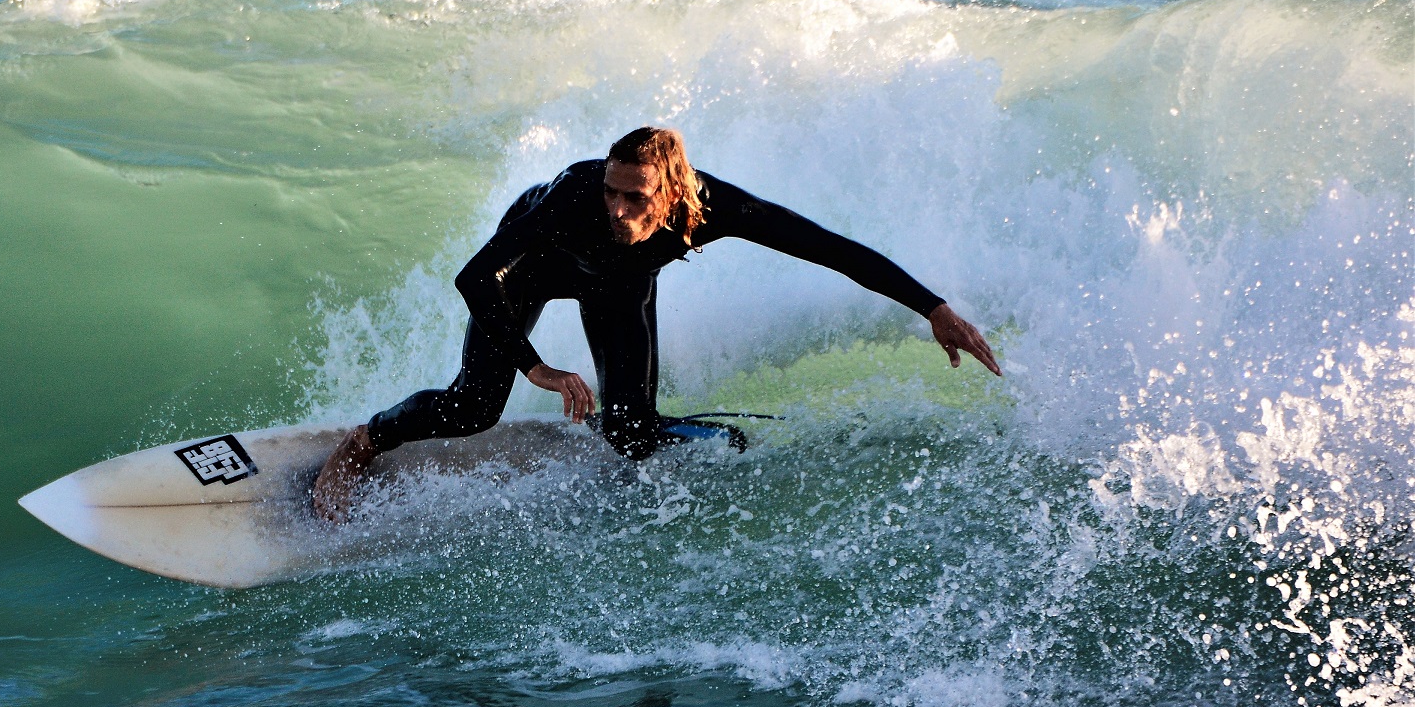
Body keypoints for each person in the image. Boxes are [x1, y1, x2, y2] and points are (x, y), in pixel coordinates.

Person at [312, 126, 999, 520]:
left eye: (634, 197)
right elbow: (474, 277)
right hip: (530, 272)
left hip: (619, 282)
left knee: (632, 433)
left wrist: (934, 309)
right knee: (473, 409)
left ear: (671, 193)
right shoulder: (571, 198)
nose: (616, 209)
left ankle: (723, 435)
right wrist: (537, 367)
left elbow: (831, 249)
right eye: (611, 191)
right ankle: (361, 443)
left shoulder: (715, 207)